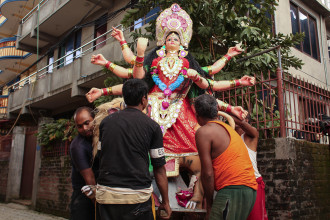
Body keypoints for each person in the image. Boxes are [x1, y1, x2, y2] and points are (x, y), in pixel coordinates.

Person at [86, 3, 253, 209]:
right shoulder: (154, 61)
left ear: (182, 43)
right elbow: (132, 70)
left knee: (195, 140)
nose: (172, 40)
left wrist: (228, 57)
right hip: (153, 104)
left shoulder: (188, 64)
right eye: (168, 38)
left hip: (179, 106)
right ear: (162, 42)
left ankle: (193, 189)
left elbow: (209, 76)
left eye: (176, 38)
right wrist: (121, 43)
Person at [96, 79, 171, 220]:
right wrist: (166, 202)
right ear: (143, 99)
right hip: (137, 198)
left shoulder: (106, 122)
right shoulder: (152, 127)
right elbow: (159, 169)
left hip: (106, 197)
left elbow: (100, 158)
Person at [194, 94, 257, 220]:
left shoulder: (204, 132)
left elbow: (208, 173)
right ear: (216, 111)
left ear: (197, 116)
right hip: (249, 190)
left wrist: (210, 206)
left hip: (233, 189)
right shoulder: (228, 128)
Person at [233, 114, 268, 220]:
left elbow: (251, 130)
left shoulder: (250, 135)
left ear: (246, 120)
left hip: (253, 183)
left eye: (236, 116)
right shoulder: (231, 137)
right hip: (235, 185)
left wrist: (229, 113)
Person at [70, 107, 99, 220]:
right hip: (85, 197)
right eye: (80, 126)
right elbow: (90, 180)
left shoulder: (101, 137)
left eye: (87, 123)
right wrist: (99, 208)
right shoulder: (78, 146)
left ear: (95, 119)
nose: (85, 128)